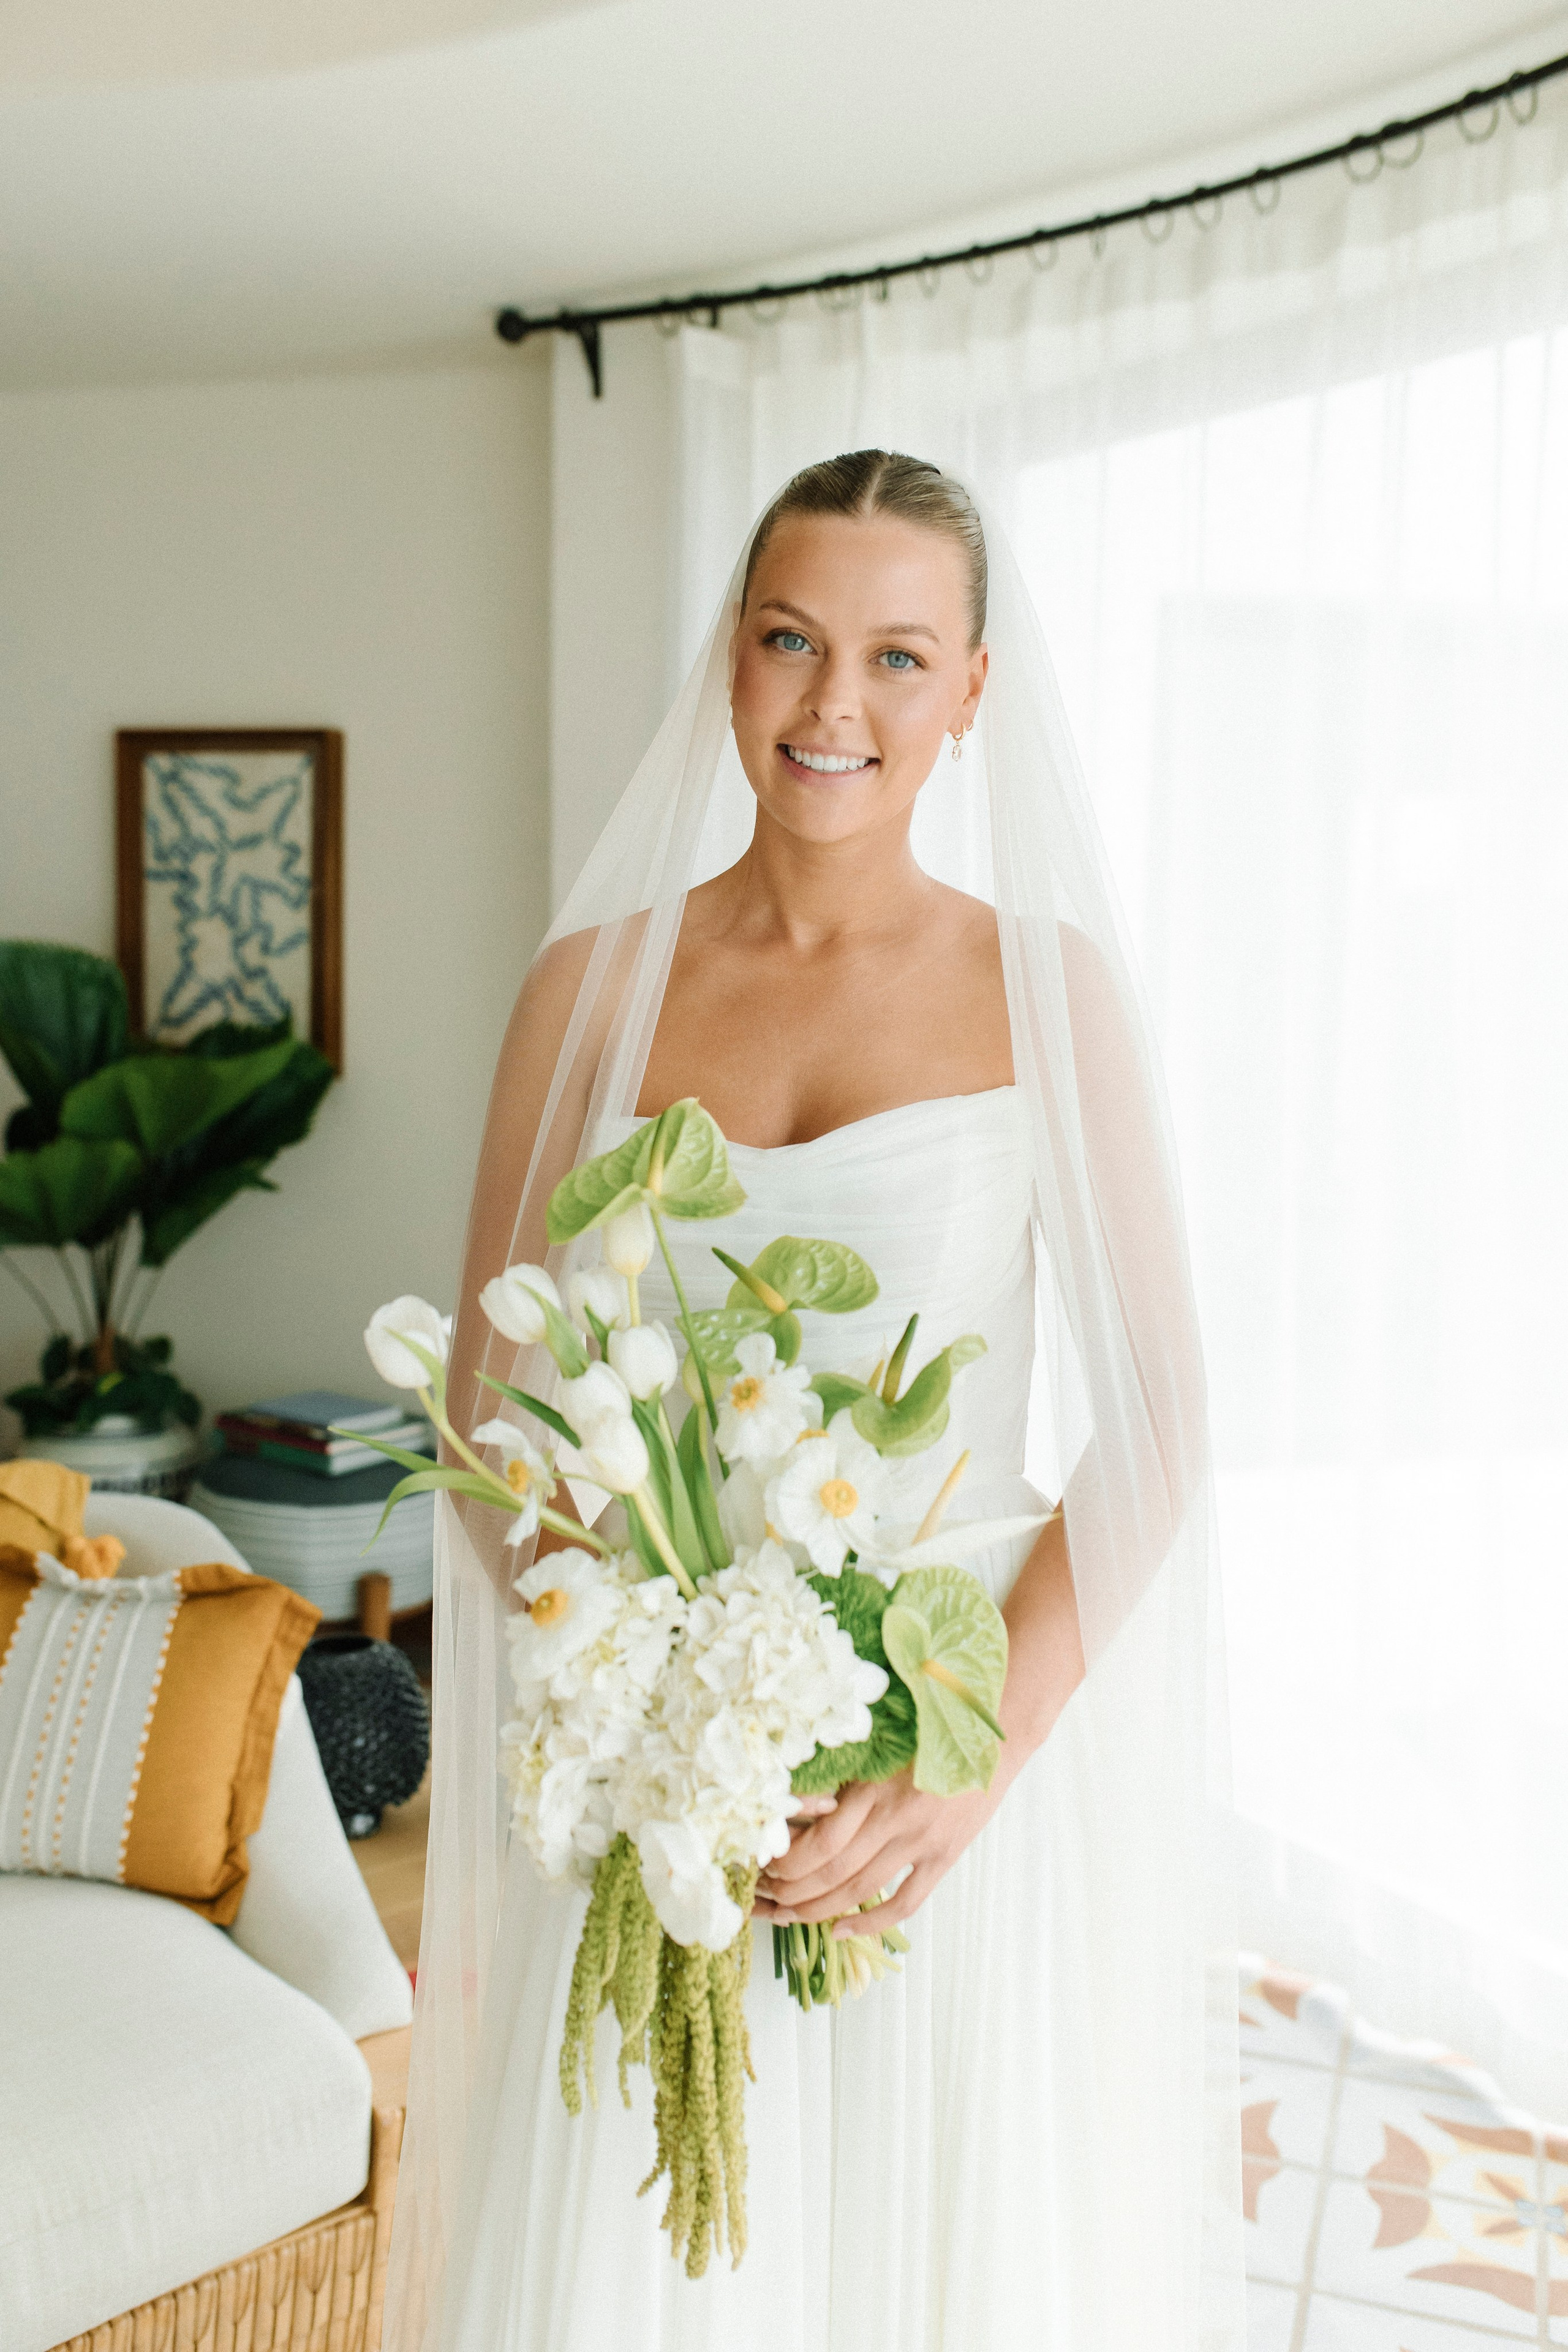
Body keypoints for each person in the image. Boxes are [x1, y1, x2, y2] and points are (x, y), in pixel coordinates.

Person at [386, 453, 1243, 2350]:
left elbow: (1165, 1419)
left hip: (945, 1778)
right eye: (788, 641)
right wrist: (636, 1684)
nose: (833, 704)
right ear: (733, 660)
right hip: (658, 1798)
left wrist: (970, 1762)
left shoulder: (1045, 989)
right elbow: (487, 1396)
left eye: (894, 655)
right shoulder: (588, 987)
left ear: (972, 694)